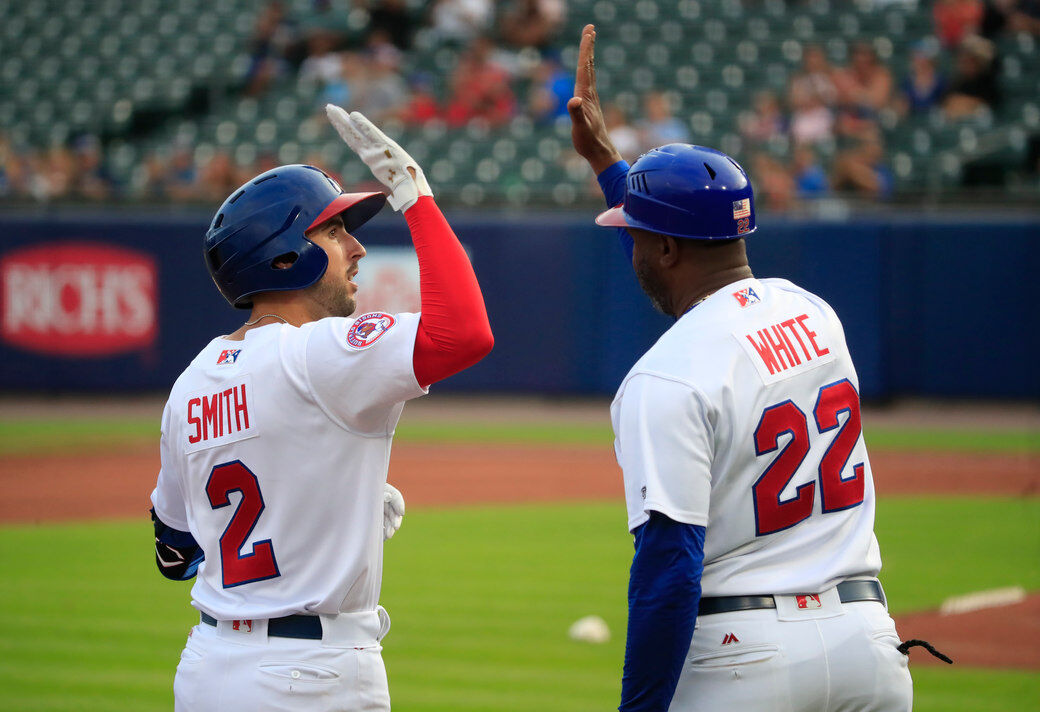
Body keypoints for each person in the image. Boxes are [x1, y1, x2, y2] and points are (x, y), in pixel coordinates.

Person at [567, 24, 944, 712]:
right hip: (869, 644)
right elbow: (694, 270)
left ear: (667, 248)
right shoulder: (814, 313)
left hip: (748, 659)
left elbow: (668, 570)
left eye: (635, 236)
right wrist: (607, 163)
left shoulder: (662, 379)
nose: (631, 250)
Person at [149, 107, 493, 711]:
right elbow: (463, 334)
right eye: (335, 233)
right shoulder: (319, 353)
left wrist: (317, 506)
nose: (357, 248)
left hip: (207, 671)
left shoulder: (191, 383)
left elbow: (174, 552)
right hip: (310, 677)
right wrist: (416, 197)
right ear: (284, 257)